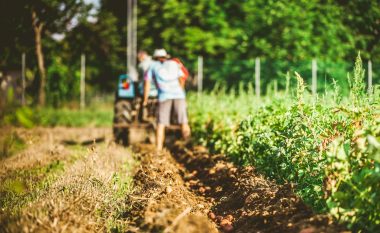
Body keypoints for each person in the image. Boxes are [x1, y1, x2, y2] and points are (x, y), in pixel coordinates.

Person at [143, 48, 191, 150]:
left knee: (161, 123)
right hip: (179, 95)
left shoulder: (152, 66)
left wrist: (145, 100)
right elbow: (182, 78)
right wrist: (180, 90)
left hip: (164, 96)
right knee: (184, 122)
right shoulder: (174, 64)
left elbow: (147, 83)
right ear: (165, 57)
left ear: (155, 58)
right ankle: (188, 145)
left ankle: (158, 150)